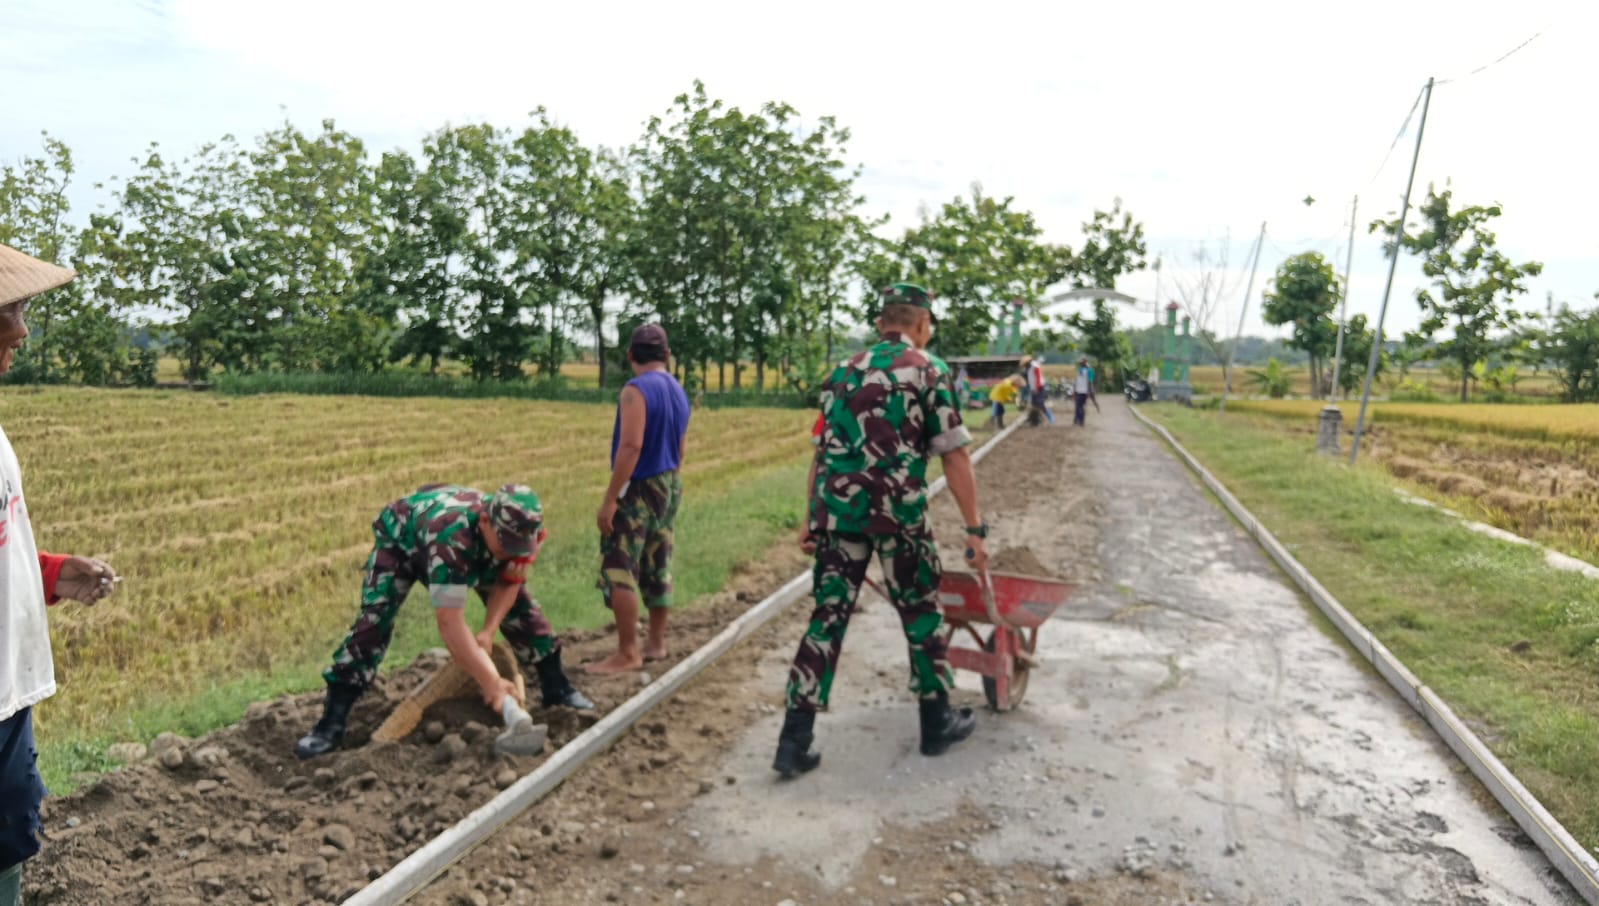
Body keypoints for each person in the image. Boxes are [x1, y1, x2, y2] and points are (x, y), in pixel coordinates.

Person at [775, 282, 990, 778]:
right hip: (900, 516)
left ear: (880, 324)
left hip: (838, 514)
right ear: (921, 325)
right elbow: (955, 454)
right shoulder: (928, 370)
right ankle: (936, 724)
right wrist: (975, 528)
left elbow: (821, 452)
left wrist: (812, 515)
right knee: (921, 614)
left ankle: (793, 740)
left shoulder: (842, 373)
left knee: (827, 619)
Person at [295, 483, 593, 759]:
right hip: (403, 539)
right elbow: (450, 623)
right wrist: (490, 683)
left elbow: (510, 581)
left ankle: (557, 687)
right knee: (374, 622)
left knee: (524, 611)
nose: (512, 552)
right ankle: (331, 723)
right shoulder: (452, 538)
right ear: (487, 522)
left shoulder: (524, 534)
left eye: (518, 546)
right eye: (506, 546)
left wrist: (488, 632)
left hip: (466, 542)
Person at [0, 243, 121, 904]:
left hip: (8, 700)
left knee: (10, 850)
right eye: (7, 311)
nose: (21, 328)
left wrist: (45, 575)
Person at [585, 324, 691, 675]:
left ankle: (627, 652)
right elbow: (681, 446)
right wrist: (673, 481)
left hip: (641, 485)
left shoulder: (635, 390)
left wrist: (611, 498)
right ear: (667, 355)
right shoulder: (677, 388)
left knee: (620, 566)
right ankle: (656, 643)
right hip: (670, 481)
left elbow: (632, 445)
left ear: (630, 355)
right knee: (659, 558)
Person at [1021, 355, 1049, 427]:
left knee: (1039, 404)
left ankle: (1046, 419)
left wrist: (1036, 388)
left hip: (1039, 388)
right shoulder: (1029, 368)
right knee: (1034, 404)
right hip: (1033, 389)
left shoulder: (1035, 366)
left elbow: (1038, 377)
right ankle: (1034, 421)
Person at [1073, 356, 1098, 427]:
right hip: (1079, 390)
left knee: (1080, 406)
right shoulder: (1080, 369)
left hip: (1084, 391)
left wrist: (1088, 391)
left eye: (1081, 362)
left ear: (1085, 362)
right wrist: (1075, 390)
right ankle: (1077, 420)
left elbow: (1090, 382)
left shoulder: (1090, 370)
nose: (1080, 364)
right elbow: (1077, 381)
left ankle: (1081, 421)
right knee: (1078, 406)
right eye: (1080, 363)